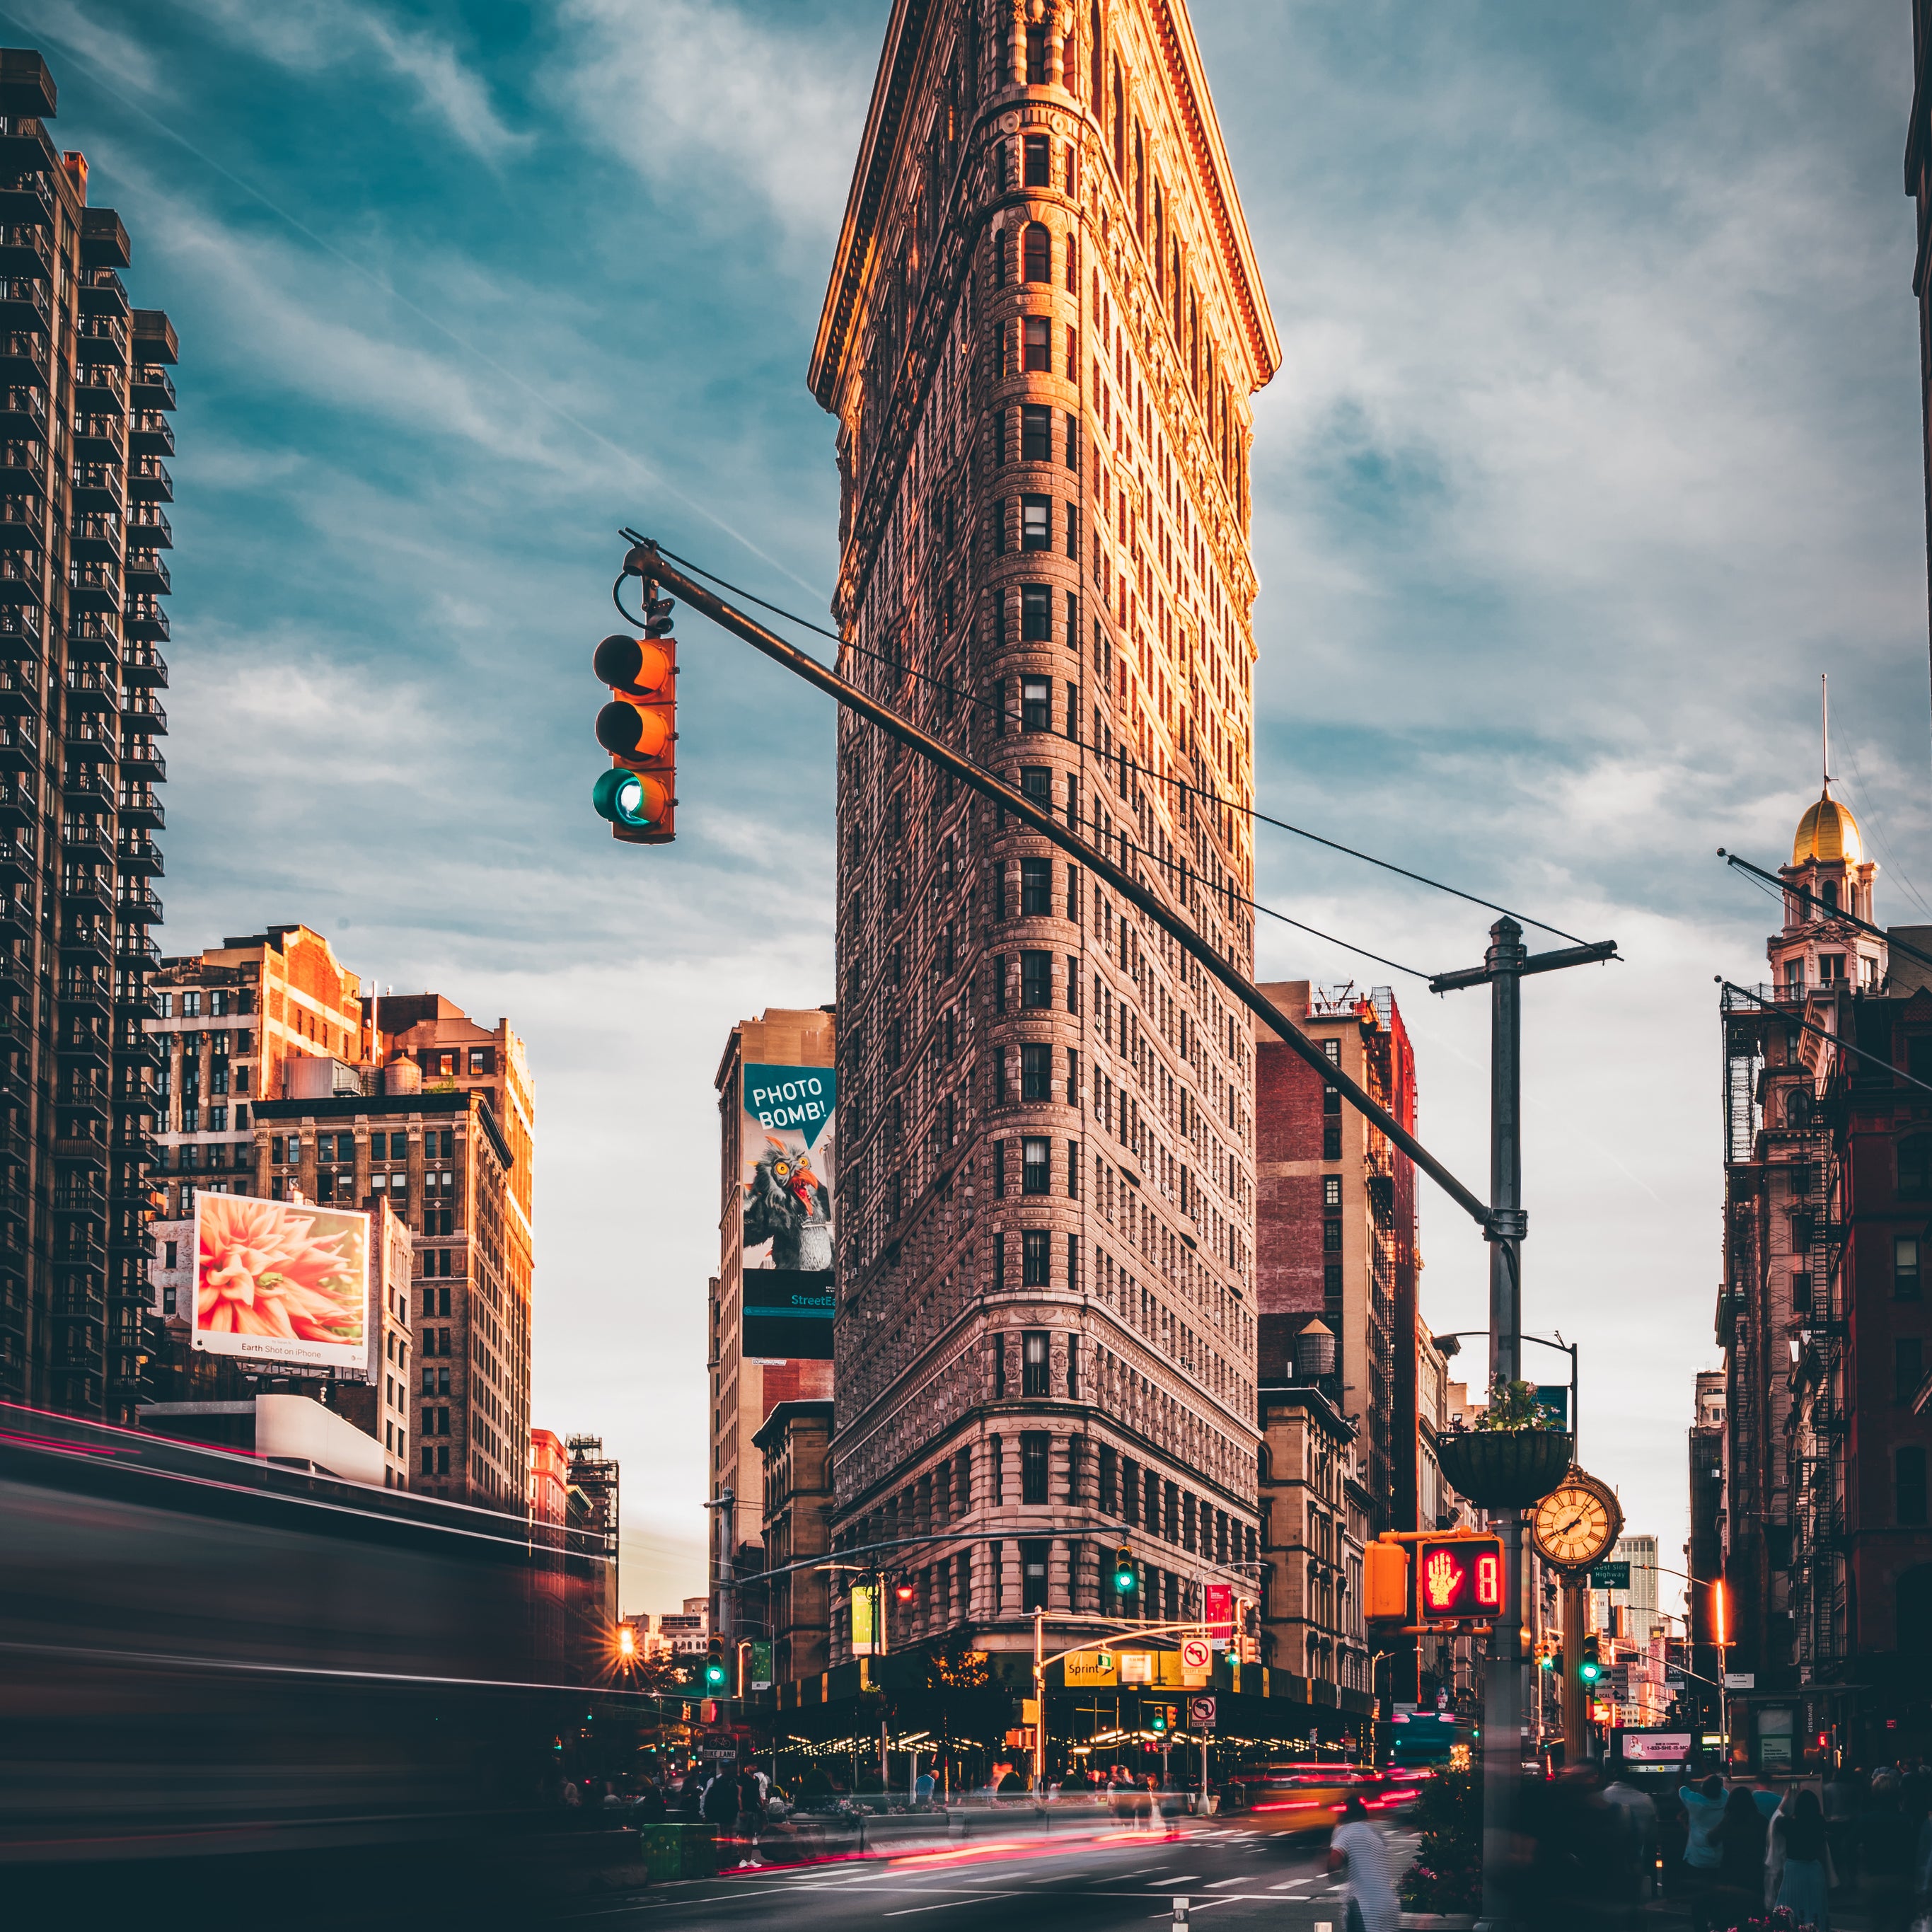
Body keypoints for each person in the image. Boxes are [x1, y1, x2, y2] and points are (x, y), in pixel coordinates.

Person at [1694, 1786, 1768, 1932]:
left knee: (1724, 1915)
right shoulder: (1761, 1820)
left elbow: (1711, 1839)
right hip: (1755, 1876)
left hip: (1731, 1877)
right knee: (1756, 1918)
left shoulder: (1730, 1821)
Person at [1328, 1792, 1400, 1932]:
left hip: (1365, 1906)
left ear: (1345, 1815)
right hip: (1389, 1905)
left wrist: (1325, 1858)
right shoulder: (1376, 1833)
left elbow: (1334, 1863)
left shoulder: (1346, 1830)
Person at [1772, 1786, 1832, 1930]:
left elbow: (1776, 1817)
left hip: (1793, 1870)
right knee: (1815, 1907)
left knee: (1790, 1907)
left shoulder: (1788, 1824)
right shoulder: (1819, 1822)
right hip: (1814, 1870)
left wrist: (1786, 1799)